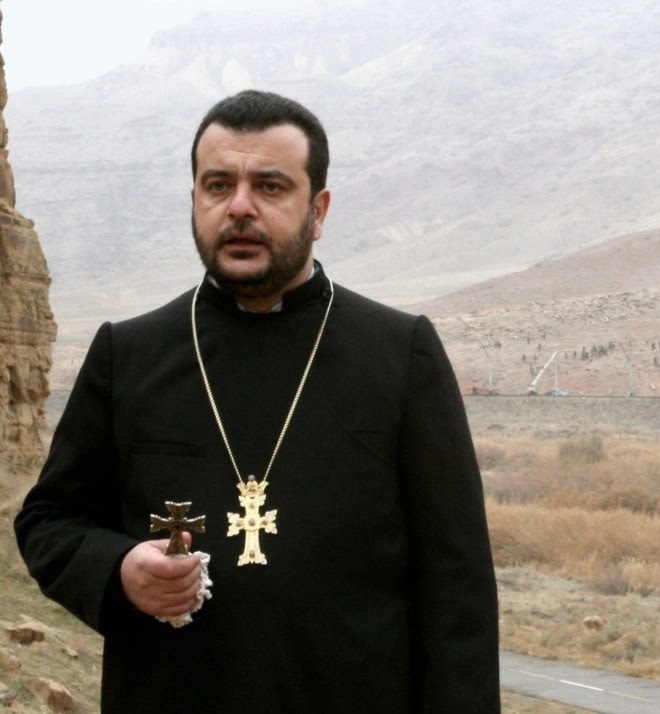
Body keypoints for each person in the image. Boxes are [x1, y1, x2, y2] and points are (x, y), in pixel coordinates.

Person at [15, 89, 501, 713]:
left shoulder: (399, 354)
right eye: (218, 185)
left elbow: (456, 587)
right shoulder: (128, 354)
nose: (239, 207)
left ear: (318, 211)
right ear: (194, 200)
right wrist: (118, 569)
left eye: (270, 187)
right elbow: (50, 521)